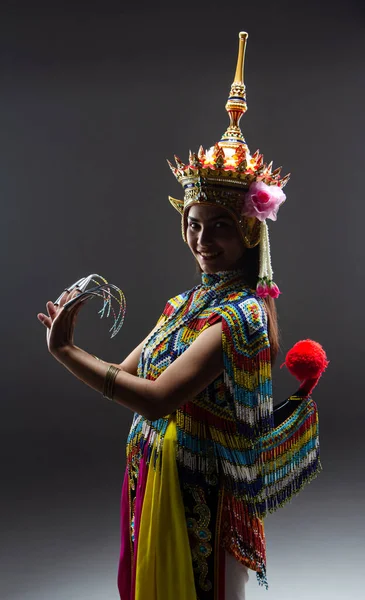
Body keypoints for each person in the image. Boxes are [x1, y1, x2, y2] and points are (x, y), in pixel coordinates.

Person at [37, 32, 325, 600]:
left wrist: (67, 352)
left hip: (198, 487)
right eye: (194, 223)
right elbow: (129, 373)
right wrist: (78, 345)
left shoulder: (242, 318)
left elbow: (156, 397)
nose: (202, 238)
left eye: (219, 224)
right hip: (153, 467)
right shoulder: (186, 304)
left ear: (248, 229)